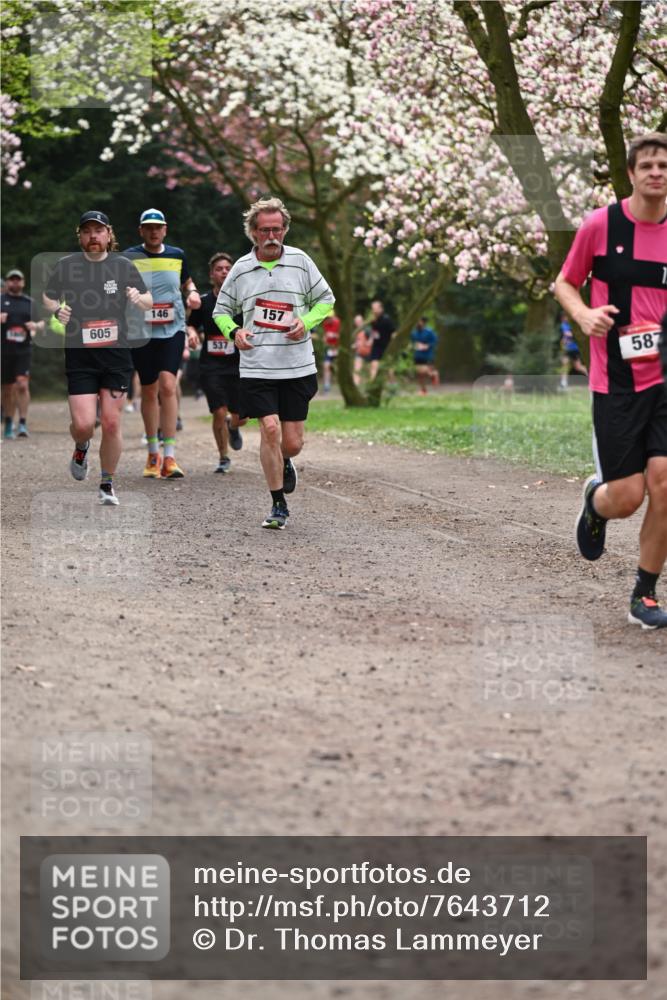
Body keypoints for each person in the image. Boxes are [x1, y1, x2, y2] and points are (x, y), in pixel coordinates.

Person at [554, 132, 667, 630]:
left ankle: (644, 593)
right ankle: (595, 503)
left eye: (664, 165)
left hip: (664, 379)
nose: (656, 173)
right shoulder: (601, 225)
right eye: (647, 165)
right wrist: (584, 314)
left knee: (664, 485)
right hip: (615, 380)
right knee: (627, 496)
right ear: (631, 173)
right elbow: (563, 282)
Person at [212, 196, 334, 529]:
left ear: (285, 230)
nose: (271, 236)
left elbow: (326, 300)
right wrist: (234, 330)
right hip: (257, 365)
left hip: (297, 364)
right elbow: (220, 311)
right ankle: (278, 503)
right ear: (253, 232)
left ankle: (285, 460)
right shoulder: (240, 269)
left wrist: (305, 322)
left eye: (277, 229)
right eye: (264, 230)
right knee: (269, 429)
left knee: (291, 443)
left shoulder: (301, 261)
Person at [43, 210, 151, 505]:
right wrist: (57, 309)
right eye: (87, 231)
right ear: (80, 235)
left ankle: (107, 483)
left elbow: (148, 299)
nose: (93, 236)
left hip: (117, 354)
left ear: (108, 234)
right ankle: (81, 446)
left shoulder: (123, 265)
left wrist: (137, 299)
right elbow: (49, 296)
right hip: (80, 356)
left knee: (113, 422)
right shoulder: (67, 266)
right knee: (84, 425)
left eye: (99, 230)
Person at [124, 209, 200, 479]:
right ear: (141, 231)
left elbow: (187, 283)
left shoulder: (177, 255)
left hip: (172, 329)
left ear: (165, 230)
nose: (154, 232)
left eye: (158, 227)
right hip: (141, 331)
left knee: (168, 385)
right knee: (148, 390)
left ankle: (170, 457)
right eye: (148, 227)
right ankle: (152, 453)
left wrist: (191, 295)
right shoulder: (129, 256)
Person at [187, 252, 246, 473]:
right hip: (211, 365)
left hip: (238, 365)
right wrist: (191, 333)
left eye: (227, 269)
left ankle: (233, 427)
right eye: (219, 269)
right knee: (219, 412)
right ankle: (223, 457)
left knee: (241, 417)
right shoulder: (203, 303)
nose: (224, 272)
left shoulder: (241, 301)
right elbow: (191, 324)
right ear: (212, 274)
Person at [1, 268, 43, 438]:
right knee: (7, 389)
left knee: (22, 384)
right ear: (7, 282)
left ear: (23, 282)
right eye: (12, 280)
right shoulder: (1, 300)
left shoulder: (30, 303)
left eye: (18, 280)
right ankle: (9, 421)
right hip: (4, 350)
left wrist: (36, 326)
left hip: (23, 350)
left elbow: (41, 323)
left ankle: (23, 423)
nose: (15, 282)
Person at [558, 312, 587, 390]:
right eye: (564, 317)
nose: (565, 319)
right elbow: (564, 336)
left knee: (578, 367)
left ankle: (592, 377)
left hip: (574, 349)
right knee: (564, 365)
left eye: (566, 317)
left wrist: (572, 334)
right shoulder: (563, 325)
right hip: (566, 349)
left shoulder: (574, 325)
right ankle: (563, 383)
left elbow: (577, 335)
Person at [410, 316, 438, 394]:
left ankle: (433, 374)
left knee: (424, 371)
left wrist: (427, 346)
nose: (418, 323)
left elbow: (434, 341)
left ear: (424, 322)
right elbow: (412, 342)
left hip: (427, 355)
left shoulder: (429, 332)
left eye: (419, 321)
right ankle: (423, 390)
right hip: (417, 355)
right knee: (419, 374)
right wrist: (415, 346)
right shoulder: (414, 332)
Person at [369, 299, 396, 381]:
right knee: (374, 365)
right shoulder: (373, 320)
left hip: (386, 347)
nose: (374, 310)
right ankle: (372, 386)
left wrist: (393, 345)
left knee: (388, 368)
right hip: (376, 347)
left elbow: (394, 332)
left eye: (375, 308)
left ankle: (393, 385)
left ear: (381, 309)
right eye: (373, 308)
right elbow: (374, 332)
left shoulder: (386, 320)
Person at [321, 313, 341, 392]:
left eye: (329, 318)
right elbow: (325, 336)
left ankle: (342, 385)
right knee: (326, 366)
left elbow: (344, 336)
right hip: (330, 348)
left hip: (338, 348)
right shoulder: (325, 324)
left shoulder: (338, 322)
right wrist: (325, 339)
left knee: (339, 367)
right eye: (326, 318)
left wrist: (334, 335)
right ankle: (327, 385)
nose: (327, 320)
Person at [352, 313, 373, 386]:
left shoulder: (367, 329)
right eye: (356, 322)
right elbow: (357, 342)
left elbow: (372, 338)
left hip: (368, 352)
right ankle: (356, 386)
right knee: (357, 369)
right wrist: (354, 346)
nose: (357, 323)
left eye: (359, 321)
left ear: (362, 321)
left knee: (369, 370)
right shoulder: (356, 331)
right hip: (359, 352)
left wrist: (368, 343)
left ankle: (370, 385)